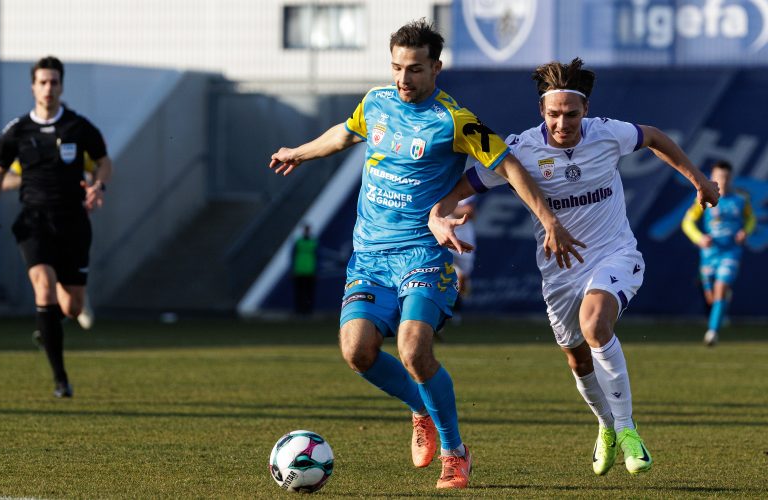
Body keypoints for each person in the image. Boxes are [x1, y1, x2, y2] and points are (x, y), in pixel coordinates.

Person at [268, 20, 582, 489]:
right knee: (357, 352)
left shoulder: (455, 121)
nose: (403, 78)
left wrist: (550, 220)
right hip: (370, 257)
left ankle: (456, 453)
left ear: (436, 68)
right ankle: (421, 408)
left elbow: (510, 166)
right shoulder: (376, 103)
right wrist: (301, 151)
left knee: (414, 349)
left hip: (423, 253)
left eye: (414, 69)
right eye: (397, 67)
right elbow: (344, 132)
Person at [429, 58, 720, 477]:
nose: (562, 122)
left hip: (614, 255)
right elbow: (469, 184)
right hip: (559, 273)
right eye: (554, 114)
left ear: (585, 111)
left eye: (571, 113)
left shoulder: (607, 134)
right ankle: (605, 425)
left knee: (595, 323)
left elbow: (655, 137)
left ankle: (628, 429)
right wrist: (439, 211)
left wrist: (698, 180)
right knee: (577, 360)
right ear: (541, 113)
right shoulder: (523, 149)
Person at [0, 56, 112, 398]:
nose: (48, 88)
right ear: (33, 87)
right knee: (43, 285)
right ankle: (61, 381)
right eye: (42, 82)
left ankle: (48, 324)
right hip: (33, 221)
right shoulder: (17, 130)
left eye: (54, 82)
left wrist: (99, 185)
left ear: (61, 86)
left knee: (72, 308)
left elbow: (103, 162)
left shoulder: (79, 128)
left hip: (73, 223)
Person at [2, 155, 98, 331]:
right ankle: (48, 326)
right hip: (39, 223)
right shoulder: (32, 148)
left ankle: (75, 297)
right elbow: (5, 179)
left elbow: (97, 169)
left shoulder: (76, 145)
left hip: (73, 224)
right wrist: (35, 176)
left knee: (71, 303)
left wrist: (93, 188)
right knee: (45, 275)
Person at [682, 160, 756, 346]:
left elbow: (751, 219)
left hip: (730, 252)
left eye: (726, 176)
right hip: (709, 254)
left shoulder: (740, 199)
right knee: (712, 298)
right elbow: (688, 222)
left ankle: (712, 332)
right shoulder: (704, 197)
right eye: (718, 176)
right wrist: (698, 238)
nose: (722, 180)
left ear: (731, 178)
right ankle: (721, 304)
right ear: (712, 177)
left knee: (720, 289)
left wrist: (745, 231)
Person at [446, 194, 478, 325]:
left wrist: (447, 207)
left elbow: (469, 211)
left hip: (464, 237)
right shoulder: (439, 180)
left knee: (462, 280)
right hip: (444, 235)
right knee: (444, 273)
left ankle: (455, 310)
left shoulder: (466, 184)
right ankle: (440, 311)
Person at [292, 223, 318, 315]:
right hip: (299, 270)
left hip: (310, 270)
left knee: (308, 293)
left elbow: (318, 256)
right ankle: (299, 311)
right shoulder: (299, 241)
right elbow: (293, 256)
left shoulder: (313, 242)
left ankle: (308, 311)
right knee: (300, 293)